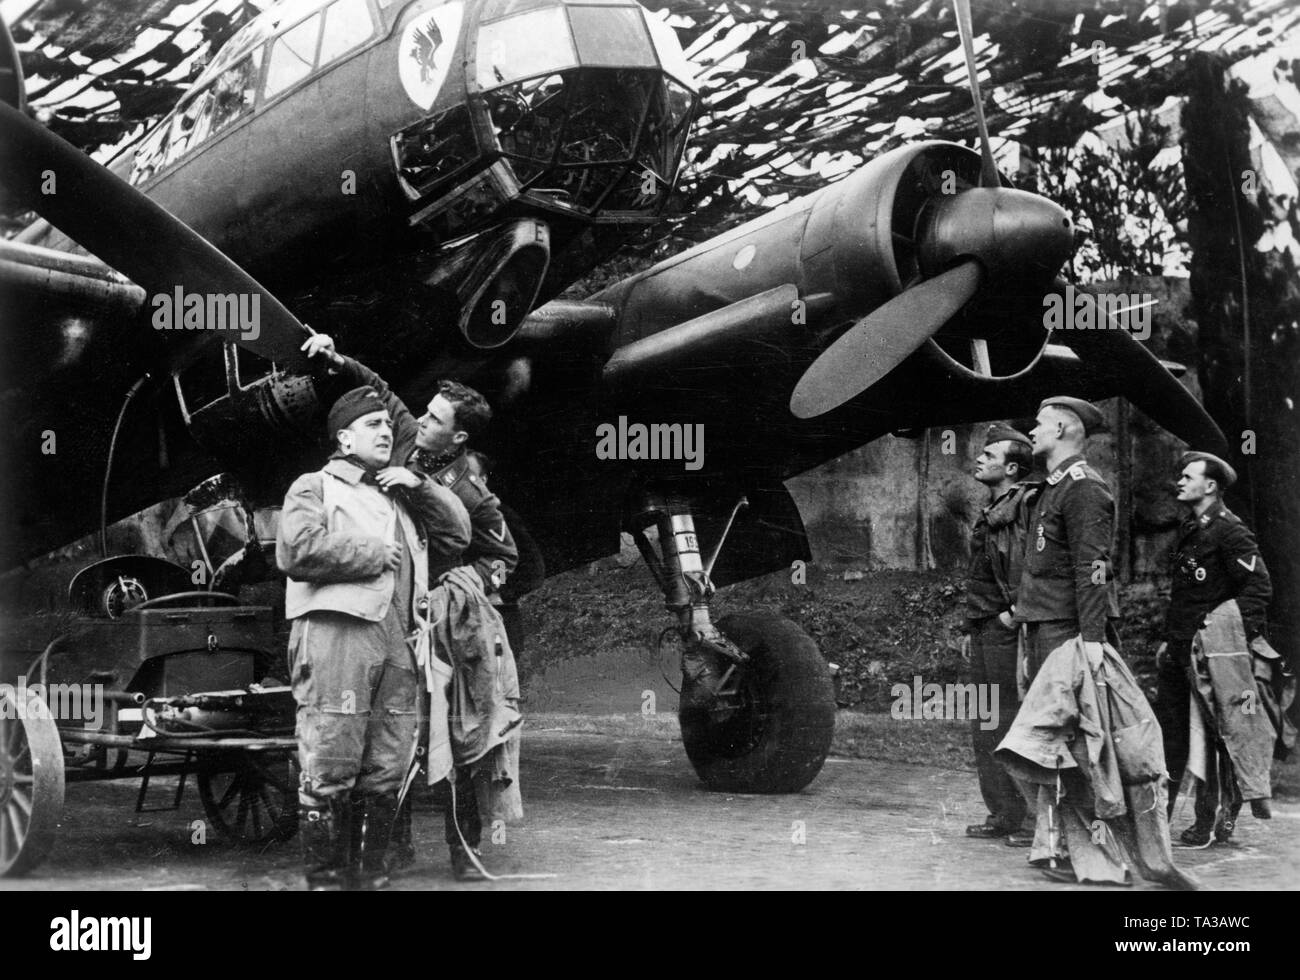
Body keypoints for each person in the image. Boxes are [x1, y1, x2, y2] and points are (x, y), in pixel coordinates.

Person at [302, 335, 522, 881]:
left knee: (460, 733)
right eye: (423, 413)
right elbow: (375, 388)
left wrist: (451, 592)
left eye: (434, 418)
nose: (420, 421)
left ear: (459, 436)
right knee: (395, 739)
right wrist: (335, 359)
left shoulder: (472, 489)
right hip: (391, 614)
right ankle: (391, 852)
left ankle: (464, 851)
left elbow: (505, 558)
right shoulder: (401, 436)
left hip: (446, 620)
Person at [277, 386, 471, 890]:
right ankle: (326, 882)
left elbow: (458, 536)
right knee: (331, 760)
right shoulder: (313, 486)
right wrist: (369, 553)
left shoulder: (402, 494)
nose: (386, 433)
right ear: (344, 438)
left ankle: (370, 879)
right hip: (337, 637)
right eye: (372, 426)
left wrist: (420, 484)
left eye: (388, 426)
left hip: (400, 644)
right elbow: (295, 550)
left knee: (387, 765)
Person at [998, 396, 1194, 889]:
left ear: (1063, 428)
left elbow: (1094, 569)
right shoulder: (1053, 487)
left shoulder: (1085, 489)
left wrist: (1089, 640)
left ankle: (1099, 857)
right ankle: (1063, 847)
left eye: (1041, 424)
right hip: (1047, 629)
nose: (1033, 431)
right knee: (1056, 745)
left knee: (1082, 746)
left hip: (1068, 635)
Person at [1154, 451, 1276, 846]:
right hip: (1180, 650)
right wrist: (1170, 640)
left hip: (1210, 655)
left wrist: (1219, 635)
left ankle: (1215, 818)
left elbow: (1258, 589)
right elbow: (1186, 595)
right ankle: (1160, 819)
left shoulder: (1230, 531)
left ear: (1210, 486)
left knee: (1218, 736)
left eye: (1187, 477)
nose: (1180, 482)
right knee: (1173, 735)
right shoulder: (1191, 528)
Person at [962, 424, 1040, 847]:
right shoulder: (994, 507)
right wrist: (970, 626)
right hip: (985, 627)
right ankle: (1004, 814)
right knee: (987, 723)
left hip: (1007, 629)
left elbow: (1035, 566)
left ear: (1011, 467)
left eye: (989, 455)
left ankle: (1028, 819)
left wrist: (1014, 615)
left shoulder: (1025, 505)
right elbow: (982, 575)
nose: (979, 458)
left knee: (1012, 720)